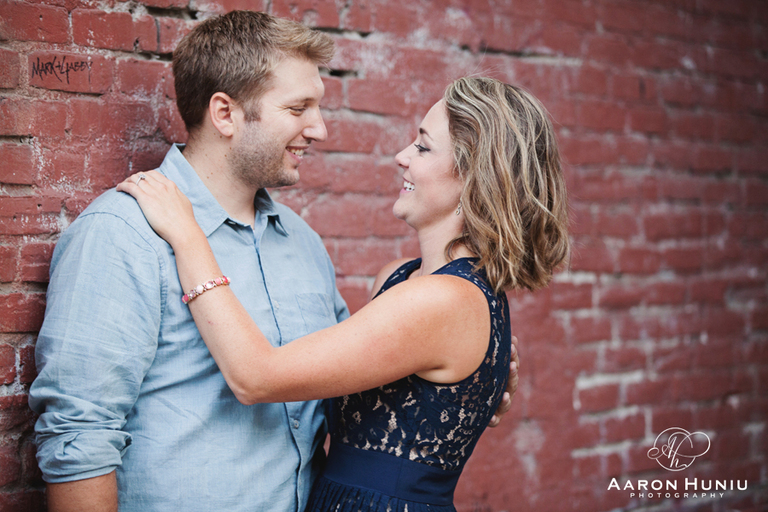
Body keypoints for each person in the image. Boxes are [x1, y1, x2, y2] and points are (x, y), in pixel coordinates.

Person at [28, 11, 518, 512]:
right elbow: (79, 436)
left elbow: (354, 375)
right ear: (226, 114)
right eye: (298, 107)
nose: (320, 129)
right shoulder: (124, 233)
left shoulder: (302, 244)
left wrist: (472, 379)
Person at [117, 76, 569, 511]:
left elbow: (255, 377)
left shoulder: (442, 301)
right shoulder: (400, 279)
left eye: (424, 147)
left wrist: (189, 236)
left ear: (476, 179)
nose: (401, 156)